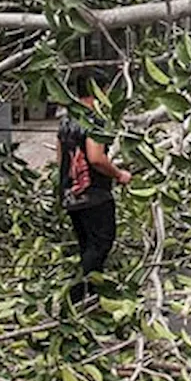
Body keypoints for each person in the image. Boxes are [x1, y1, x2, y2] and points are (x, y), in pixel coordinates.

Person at [57, 77, 132, 304]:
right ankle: (78, 295)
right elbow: (96, 158)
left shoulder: (67, 120)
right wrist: (119, 174)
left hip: (70, 193)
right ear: (99, 91)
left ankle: (89, 296)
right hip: (93, 194)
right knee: (101, 243)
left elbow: (60, 157)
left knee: (87, 245)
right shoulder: (94, 121)